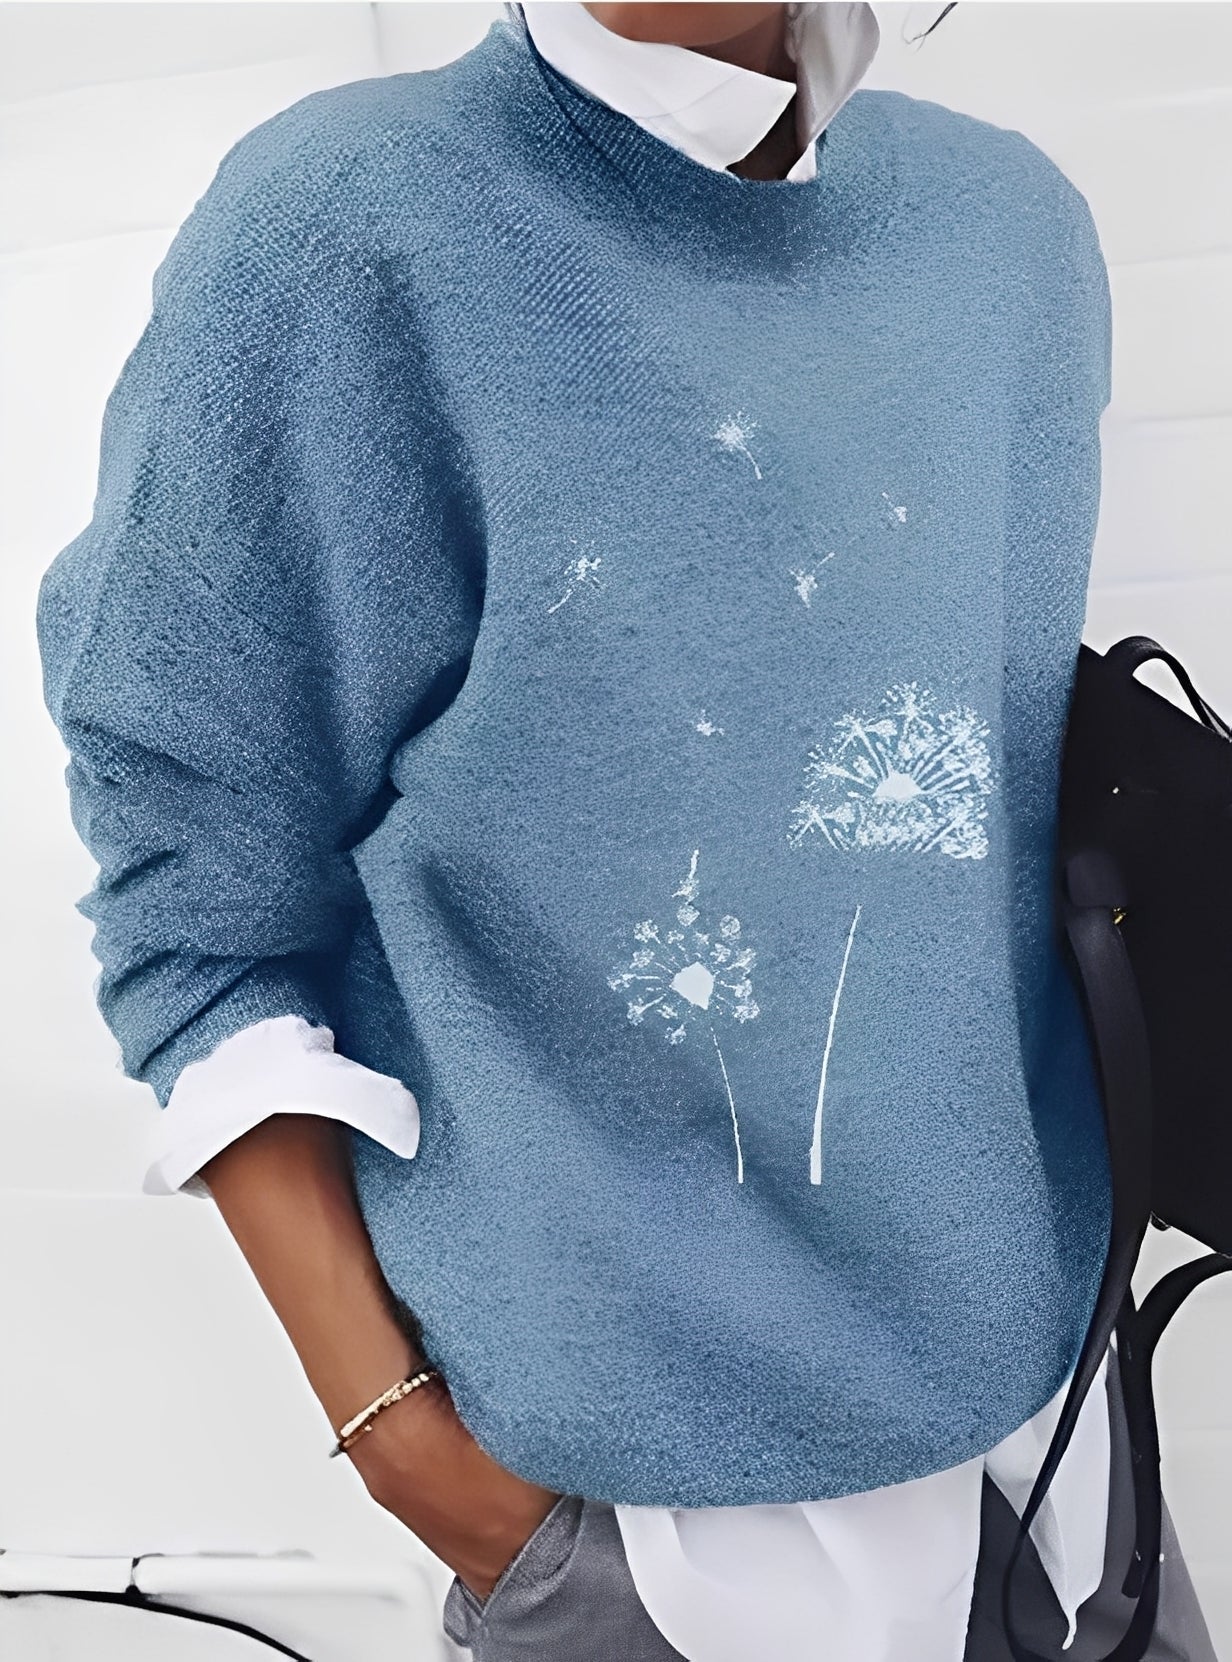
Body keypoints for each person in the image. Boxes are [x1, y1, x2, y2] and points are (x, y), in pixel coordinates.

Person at [34, 4, 1219, 1659]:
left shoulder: (1010, 234)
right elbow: (195, 905)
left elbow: (966, 808)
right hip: (641, 1552)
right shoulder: (344, 235)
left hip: (1072, 1464)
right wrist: (412, 1451)